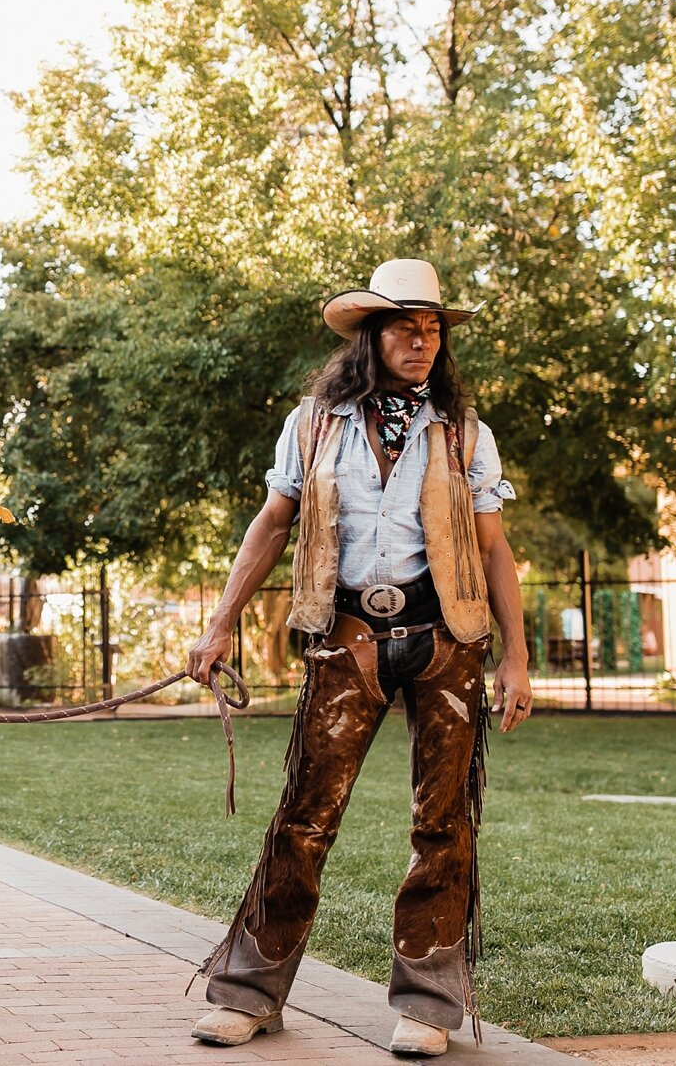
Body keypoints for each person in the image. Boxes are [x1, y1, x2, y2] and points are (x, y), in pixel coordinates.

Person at [184, 258, 532, 1059]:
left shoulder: (464, 431)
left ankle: (429, 1004)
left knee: (443, 823)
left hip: (446, 641)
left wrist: (515, 655)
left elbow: (493, 548)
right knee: (304, 817)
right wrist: (219, 624)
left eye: (433, 327)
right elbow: (271, 524)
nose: (422, 339)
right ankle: (249, 992)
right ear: (370, 336)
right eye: (405, 326)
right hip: (346, 638)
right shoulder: (314, 422)